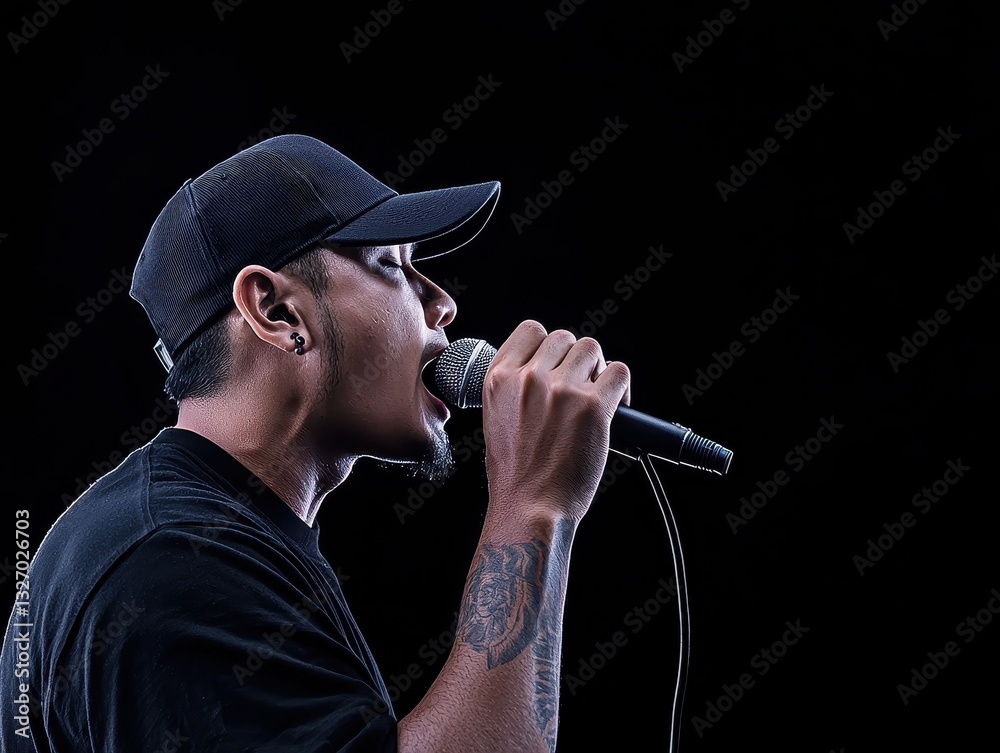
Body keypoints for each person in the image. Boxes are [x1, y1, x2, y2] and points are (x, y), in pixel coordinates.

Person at [0, 134, 630, 752]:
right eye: (392, 265)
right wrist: (532, 503)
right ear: (276, 312)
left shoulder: (205, 536)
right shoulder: (171, 565)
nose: (442, 303)